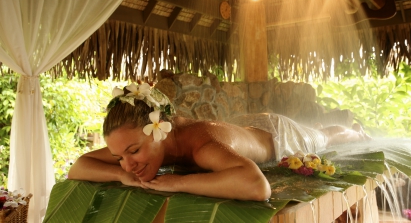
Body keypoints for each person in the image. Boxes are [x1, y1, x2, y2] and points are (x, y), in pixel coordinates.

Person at [68, 83, 371, 201]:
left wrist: (178, 183)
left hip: (280, 135)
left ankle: (354, 130)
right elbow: (79, 167)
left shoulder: (203, 145)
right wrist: (122, 174)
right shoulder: (141, 145)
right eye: (119, 156)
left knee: (323, 136)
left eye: (132, 152)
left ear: (159, 131)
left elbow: (257, 186)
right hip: (247, 126)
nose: (128, 163)